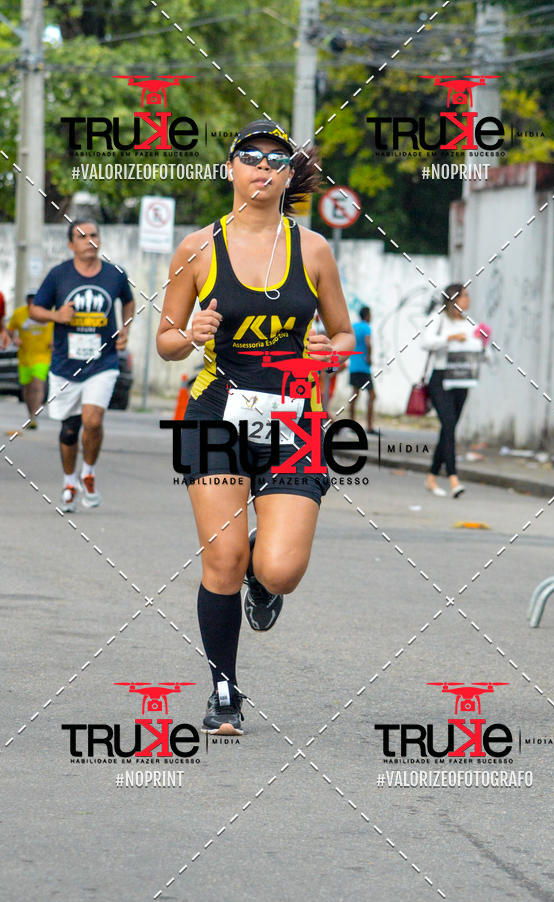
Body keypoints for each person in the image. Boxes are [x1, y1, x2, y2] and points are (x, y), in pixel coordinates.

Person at [157, 119, 354, 736]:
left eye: (277, 160)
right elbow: (164, 340)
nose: (262, 167)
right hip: (214, 412)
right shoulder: (197, 247)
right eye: (250, 156)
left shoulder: (314, 249)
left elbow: (343, 332)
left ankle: (262, 587)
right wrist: (189, 336)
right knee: (222, 556)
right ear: (230, 167)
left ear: (290, 175)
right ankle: (224, 691)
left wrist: (332, 349)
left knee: (280, 569)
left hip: (296, 418)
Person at [30, 221, 134, 512]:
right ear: (70, 244)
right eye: (82, 236)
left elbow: (128, 302)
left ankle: (88, 472)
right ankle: (68, 481)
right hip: (65, 365)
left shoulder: (115, 274)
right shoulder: (58, 275)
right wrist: (56, 315)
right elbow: (34, 310)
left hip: (103, 362)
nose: (89, 240)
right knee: (69, 429)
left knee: (93, 420)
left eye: (94, 235)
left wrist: (125, 327)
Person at [421, 283, 485, 498]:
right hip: (440, 379)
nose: (468, 299)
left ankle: (431, 478)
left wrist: (482, 343)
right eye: (464, 295)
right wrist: (449, 339)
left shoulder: (469, 323)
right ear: (454, 299)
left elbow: (480, 350)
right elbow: (426, 342)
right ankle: (453, 478)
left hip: (462, 380)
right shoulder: (438, 319)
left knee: (448, 429)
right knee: (448, 425)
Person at [7, 293, 53, 429]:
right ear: (27, 302)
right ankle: (30, 413)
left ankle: (34, 416)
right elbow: (10, 329)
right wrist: (14, 339)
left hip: (43, 356)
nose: (32, 303)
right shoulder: (19, 313)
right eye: (30, 301)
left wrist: (55, 341)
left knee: (37, 385)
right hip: (25, 356)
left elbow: (61, 328)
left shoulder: (49, 313)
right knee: (26, 388)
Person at [348, 305, 376, 433]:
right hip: (364, 367)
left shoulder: (353, 327)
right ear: (367, 315)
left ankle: (352, 424)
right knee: (372, 395)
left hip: (354, 366)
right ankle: (369, 426)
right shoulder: (366, 327)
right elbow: (368, 343)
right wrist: (369, 357)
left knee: (354, 395)